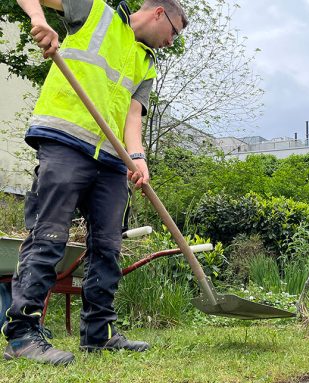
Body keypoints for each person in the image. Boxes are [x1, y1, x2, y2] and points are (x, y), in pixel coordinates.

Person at [2, 0, 188, 365]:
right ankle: (22, 335)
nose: (172, 42)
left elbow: (133, 115)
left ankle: (99, 334)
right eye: (175, 32)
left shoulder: (145, 62)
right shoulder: (94, 11)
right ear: (158, 13)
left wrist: (137, 158)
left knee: (108, 246)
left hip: (112, 160)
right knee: (50, 235)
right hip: (66, 142)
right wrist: (39, 21)